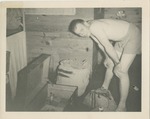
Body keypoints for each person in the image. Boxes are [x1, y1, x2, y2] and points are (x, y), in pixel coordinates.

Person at [68, 18, 141, 111]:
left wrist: (117, 63)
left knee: (121, 71)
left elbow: (107, 46)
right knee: (110, 64)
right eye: (79, 34)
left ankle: (122, 106)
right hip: (121, 39)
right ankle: (104, 88)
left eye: (81, 30)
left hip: (133, 35)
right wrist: (107, 58)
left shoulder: (94, 27)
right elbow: (100, 44)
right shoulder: (89, 28)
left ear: (85, 23)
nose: (82, 34)